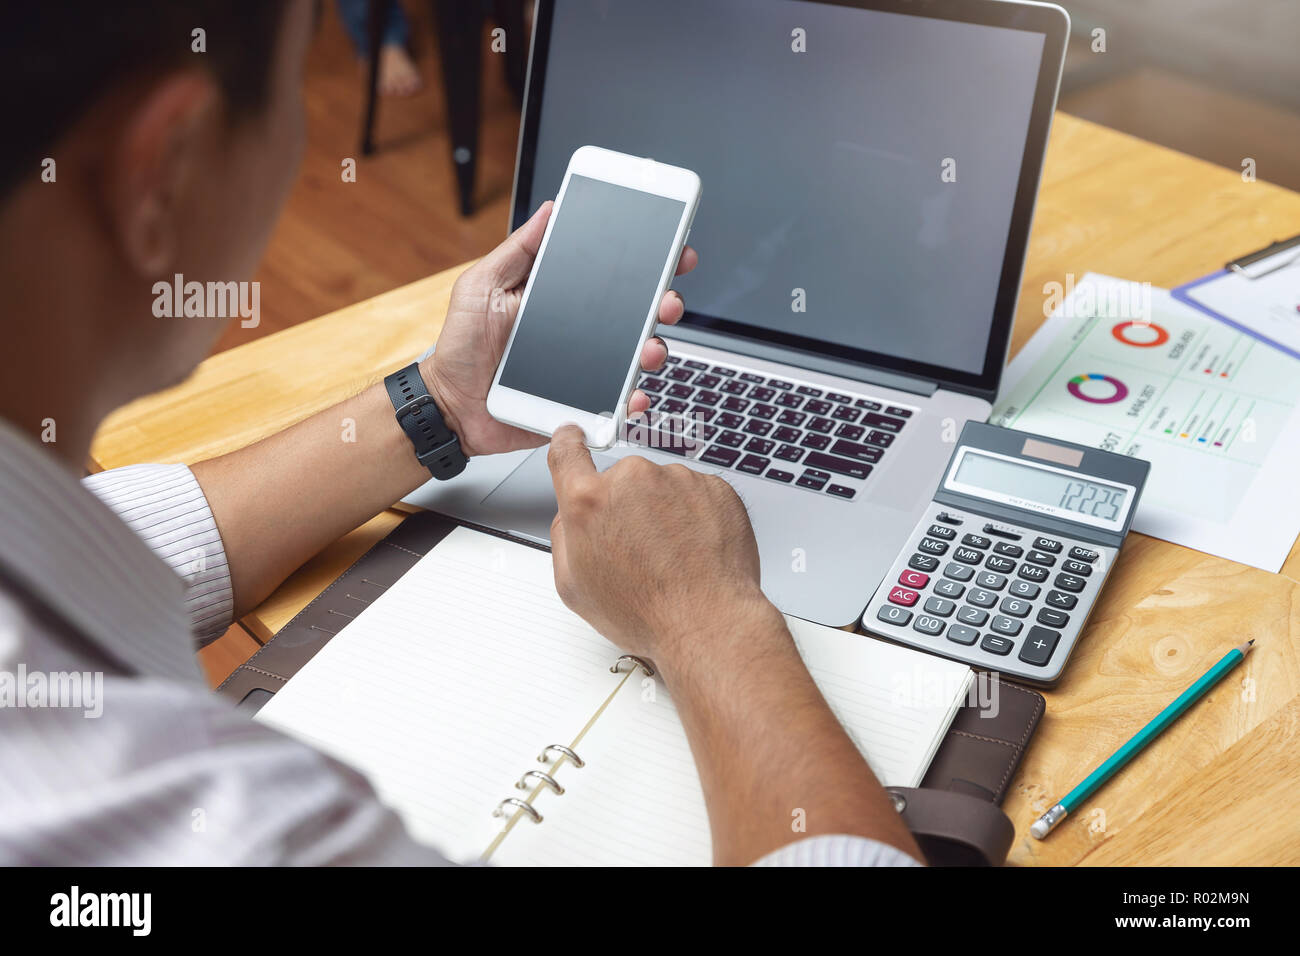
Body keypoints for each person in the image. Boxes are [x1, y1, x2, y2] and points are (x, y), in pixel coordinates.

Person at [0, 0, 921, 866]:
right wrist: (708, 619)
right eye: (292, 90)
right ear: (164, 172)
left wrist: (439, 401)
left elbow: (117, 545)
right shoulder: (224, 828)